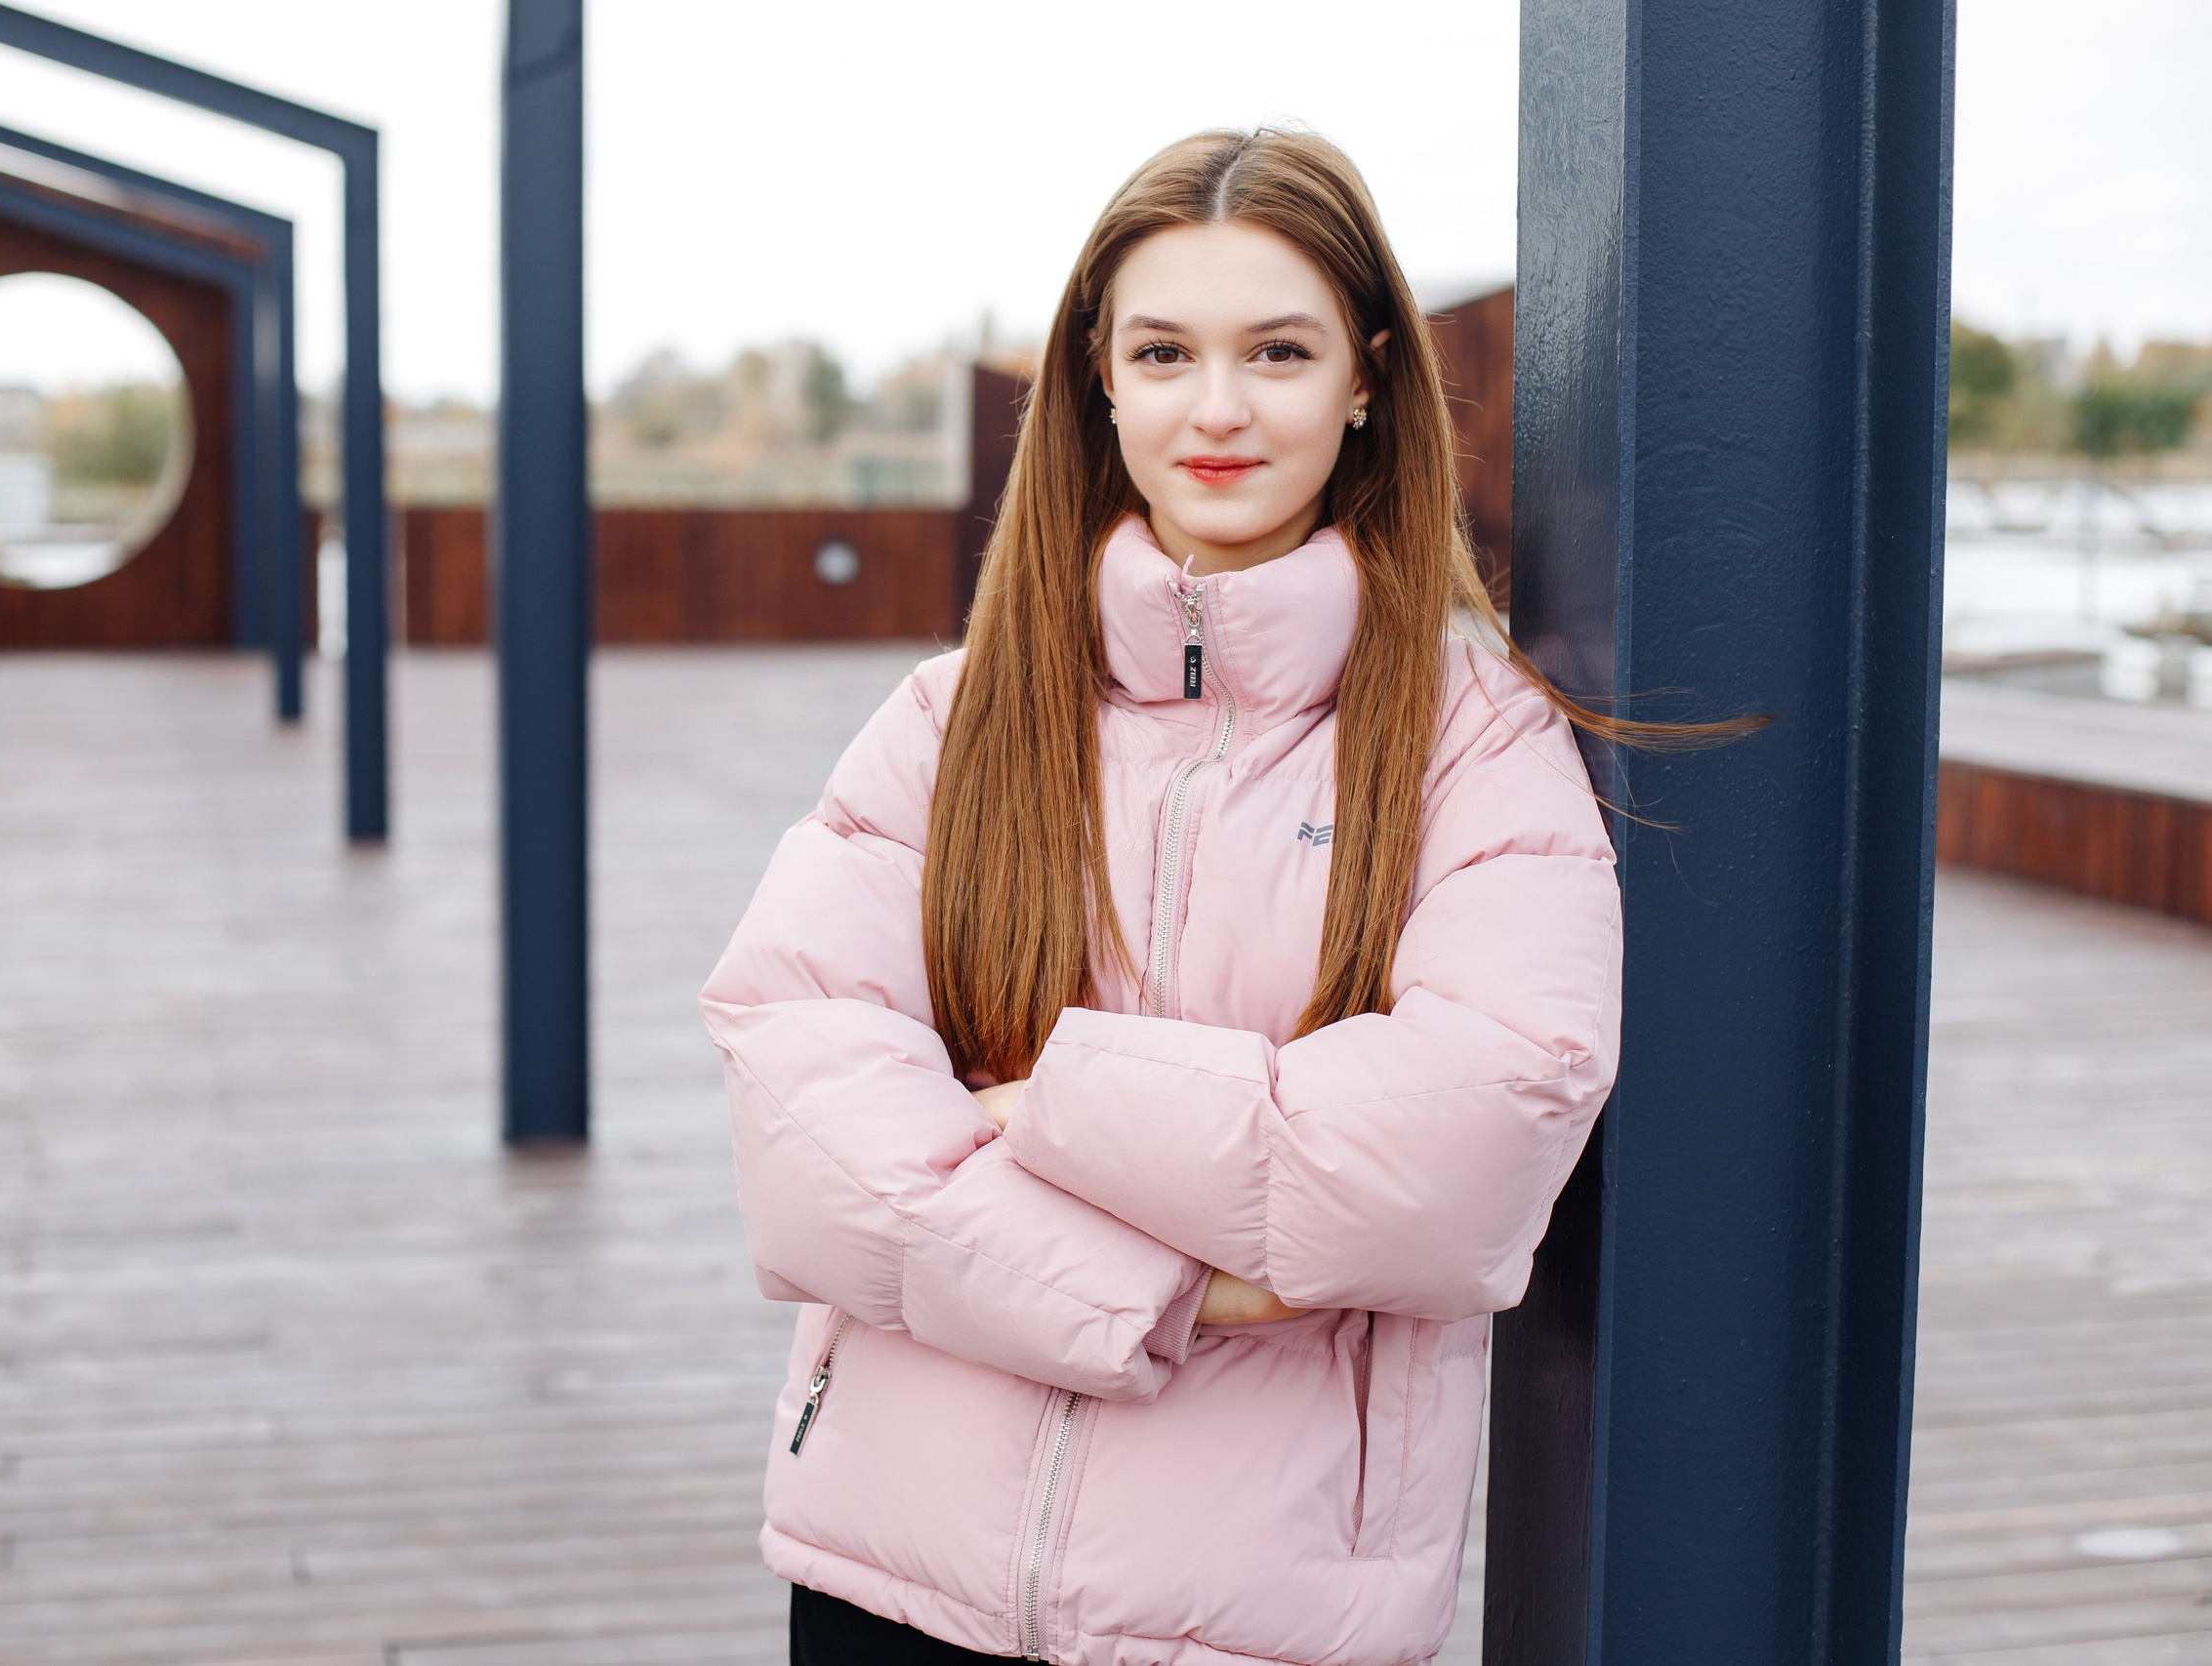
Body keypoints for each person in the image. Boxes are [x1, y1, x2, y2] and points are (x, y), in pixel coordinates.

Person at [703, 128, 1707, 1666]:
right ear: (1100, 379)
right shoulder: (952, 720)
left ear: (1366, 380)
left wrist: (1049, 1105)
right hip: (888, 1578)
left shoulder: (1474, 741)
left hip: (1259, 1613)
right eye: (1164, 352)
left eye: (1279, 351)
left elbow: (1464, 1142)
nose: (1217, 408)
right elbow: (803, 1107)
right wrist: (1174, 1288)